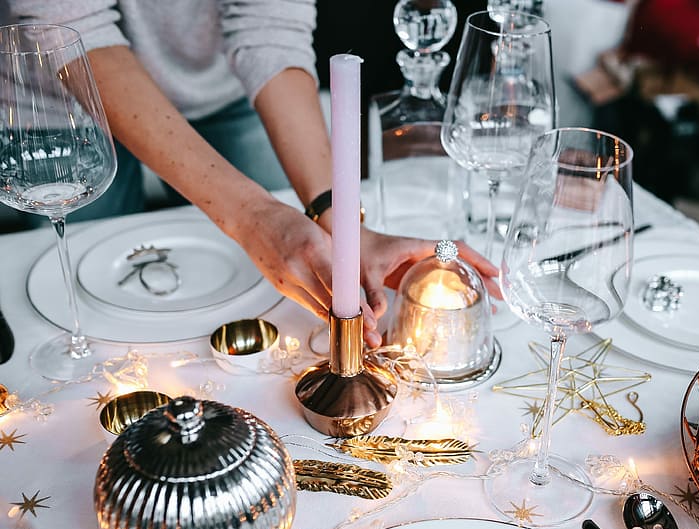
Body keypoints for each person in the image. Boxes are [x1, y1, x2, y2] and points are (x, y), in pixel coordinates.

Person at [7, 0, 499, 348]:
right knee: (77, 303)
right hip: (53, 99)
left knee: (290, 272)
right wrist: (254, 215)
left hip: (226, 84)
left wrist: (342, 222)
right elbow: (68, 20)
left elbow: (269, 22)